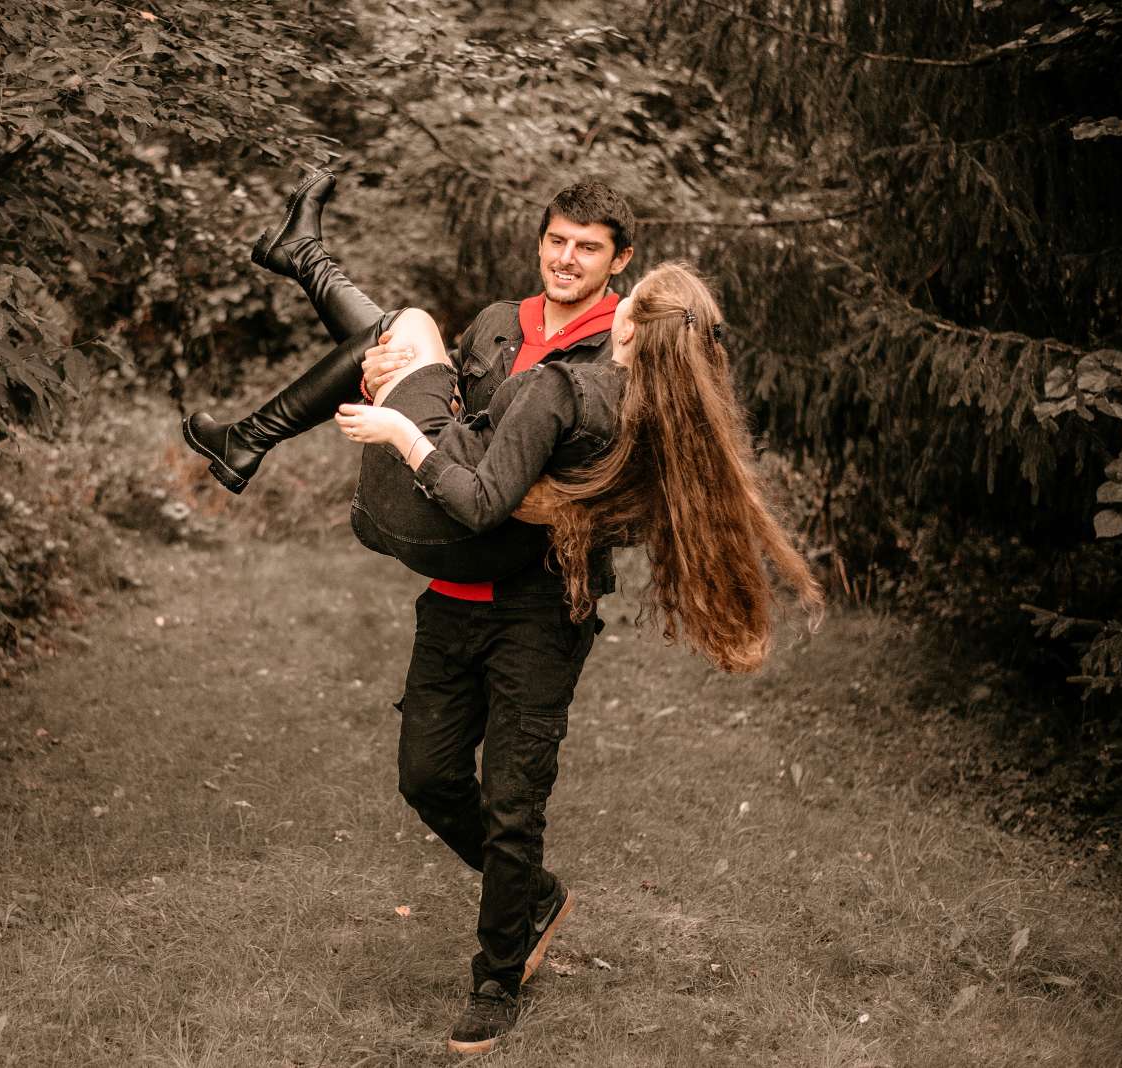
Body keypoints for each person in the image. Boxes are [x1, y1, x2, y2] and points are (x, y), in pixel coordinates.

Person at [183, 174, 819, 1054]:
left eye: (588, 247)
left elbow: (620, 487)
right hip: (454, 590)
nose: (567, 258)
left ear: (620, 264)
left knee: (515, 802)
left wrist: (526, 490)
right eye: (557, 240)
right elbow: (457, 413)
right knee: (427, 776)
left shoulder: (629, 355)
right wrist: (386, 379)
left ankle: (497, 976)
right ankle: (535, 897)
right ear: (540, 242)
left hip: (540, 606)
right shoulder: (495, 324)